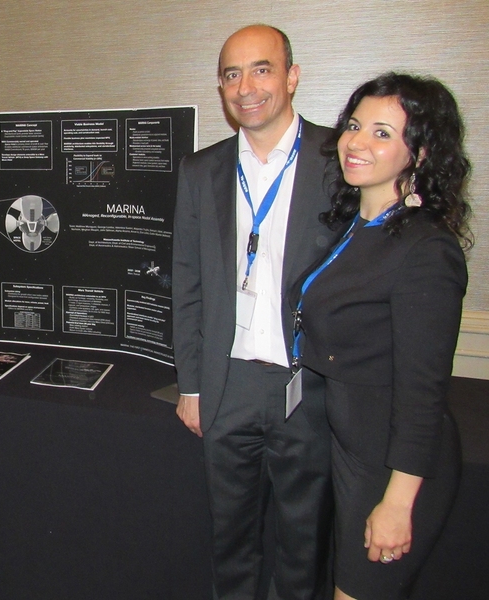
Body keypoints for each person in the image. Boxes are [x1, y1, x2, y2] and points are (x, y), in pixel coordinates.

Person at [171, 24, 337, 599]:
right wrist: (190, 384)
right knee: (232, 542)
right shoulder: (200, 171)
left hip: (310, 387)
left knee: (305, 545)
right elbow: (187, 284)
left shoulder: (341, 161)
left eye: (261, 69)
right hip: (227, 384)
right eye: (231, 74)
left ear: (292, 76)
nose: (246, 87)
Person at [297, 72, 470, 600]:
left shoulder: (426, 249)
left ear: (419, 153)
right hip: (349, 446)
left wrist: (397, 503)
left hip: (391, 464)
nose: (356, 142)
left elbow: (423, 392)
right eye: (354, 126)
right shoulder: (357, 225)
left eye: (382, 133)